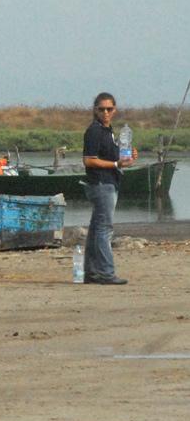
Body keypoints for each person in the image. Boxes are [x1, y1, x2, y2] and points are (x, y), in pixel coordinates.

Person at [82, 92, 135, 285]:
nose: (106, 112)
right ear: (95, 109)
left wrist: (125, 159)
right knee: (104, 229)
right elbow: (89, 160)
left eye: (109, 109)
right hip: (101, 184)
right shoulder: (94, 131)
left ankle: (91, 272)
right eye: (102, 109)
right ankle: (106, 272)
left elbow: (114, 158)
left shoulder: (108, 131)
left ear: (115, 110)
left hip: (108, 183)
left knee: (96, 229)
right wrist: (115, 165)